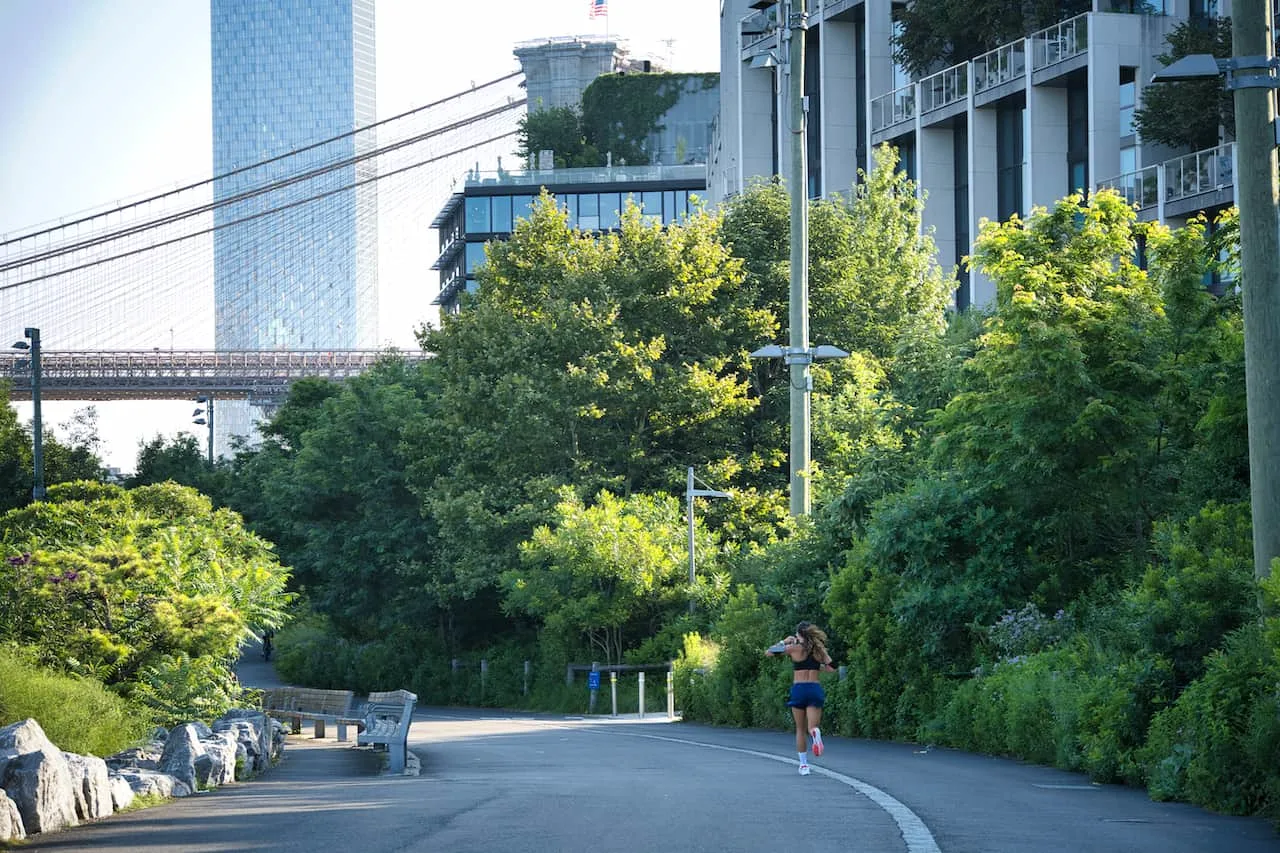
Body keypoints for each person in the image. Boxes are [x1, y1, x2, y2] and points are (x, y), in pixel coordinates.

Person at [765, 621, 837, 775]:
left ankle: (804, 765)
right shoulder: (819, 650)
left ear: (799, 635)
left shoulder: (793, 648)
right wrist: (817, 666)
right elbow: (832, 668)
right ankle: (816, 733)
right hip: (814, 688)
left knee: (800, 729)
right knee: (812, 727)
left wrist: (784, 641)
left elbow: (769, 652)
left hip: (799, 689)